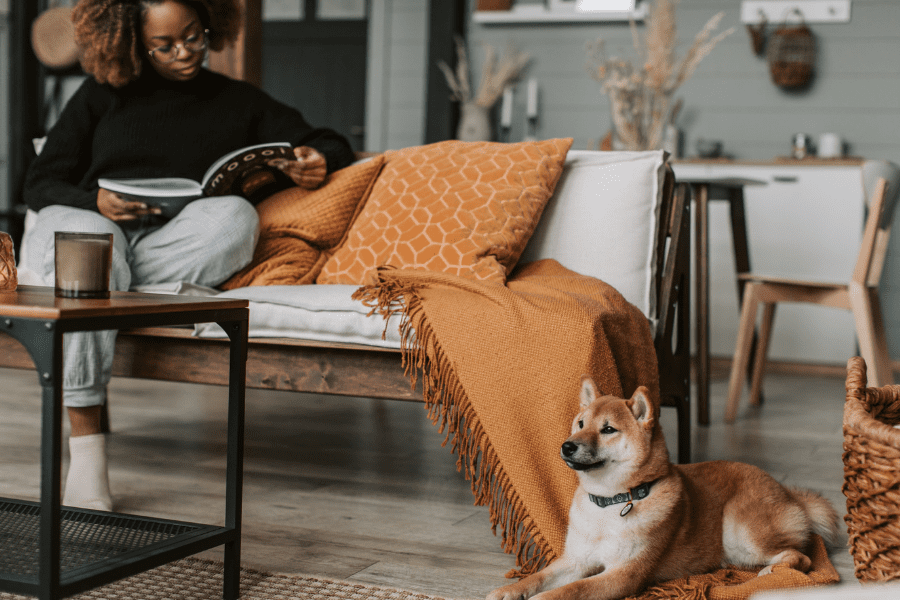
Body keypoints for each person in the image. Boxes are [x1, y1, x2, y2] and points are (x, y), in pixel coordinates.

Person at [20, 0, 355, 512]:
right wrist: (96, 201)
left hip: (162, 247)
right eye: (165, 45)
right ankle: (87, 450)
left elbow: (325, 140)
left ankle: (112, 285)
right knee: (93, 246)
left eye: (194, 37)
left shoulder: (236, 100)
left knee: (235, 218)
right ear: (133, 41)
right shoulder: (101, 95)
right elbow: (40, 182)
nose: (185, 53)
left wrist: (317, 159)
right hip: (86, 227)